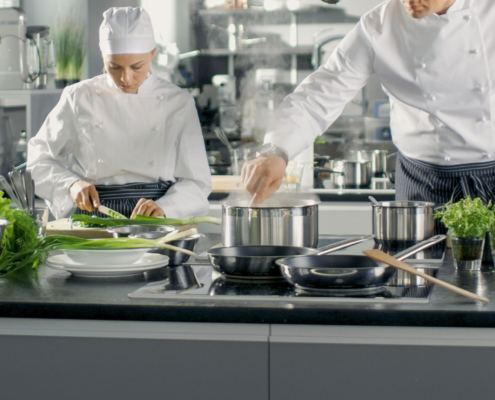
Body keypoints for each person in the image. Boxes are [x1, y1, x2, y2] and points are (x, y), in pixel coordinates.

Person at [242, 0, 495, 207]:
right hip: (422, 185)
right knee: (415, 268)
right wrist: (276, 152)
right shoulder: (378, 26)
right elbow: (318, 95)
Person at [27, 7, 211, 219]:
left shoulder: (178, 102)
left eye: (137, 67)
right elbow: (38, 161)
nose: (126, 78)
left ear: (153, 53)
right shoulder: (79, 97)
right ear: (103, 56)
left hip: (154, 220)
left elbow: (197, 181)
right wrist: (71, 184)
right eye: (114, 67)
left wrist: (167, 208)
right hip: (93, 216)